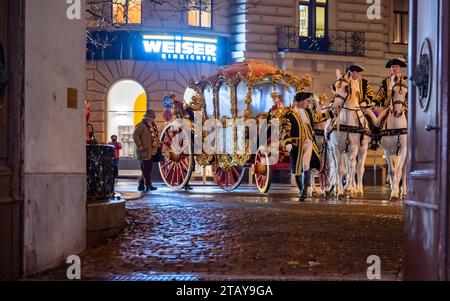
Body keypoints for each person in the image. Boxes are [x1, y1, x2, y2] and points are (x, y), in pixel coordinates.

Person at [285, 92, 334, 202]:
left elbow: (317, 118)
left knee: (306, 165)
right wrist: (287, 142)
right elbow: (285, 129)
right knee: (297, 169)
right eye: (307, 101)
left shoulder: (307, 112)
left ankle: (304, 191)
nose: (308, 103)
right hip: (296, 145)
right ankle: (301, 188)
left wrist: (331, 113)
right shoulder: (289, 114)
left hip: (308, 143)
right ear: (302, 102)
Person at [133, 110, 160, 192]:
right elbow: (135, 135)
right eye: (153, 117)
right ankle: (148, 185)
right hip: (144, 150)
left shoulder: (152, 125)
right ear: (148, 117)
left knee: (147, 169)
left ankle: (141, 184)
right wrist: (139, 145)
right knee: (146, 168)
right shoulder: (141, 125)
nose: (154, 119)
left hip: (150, 151)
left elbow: (154, 137)